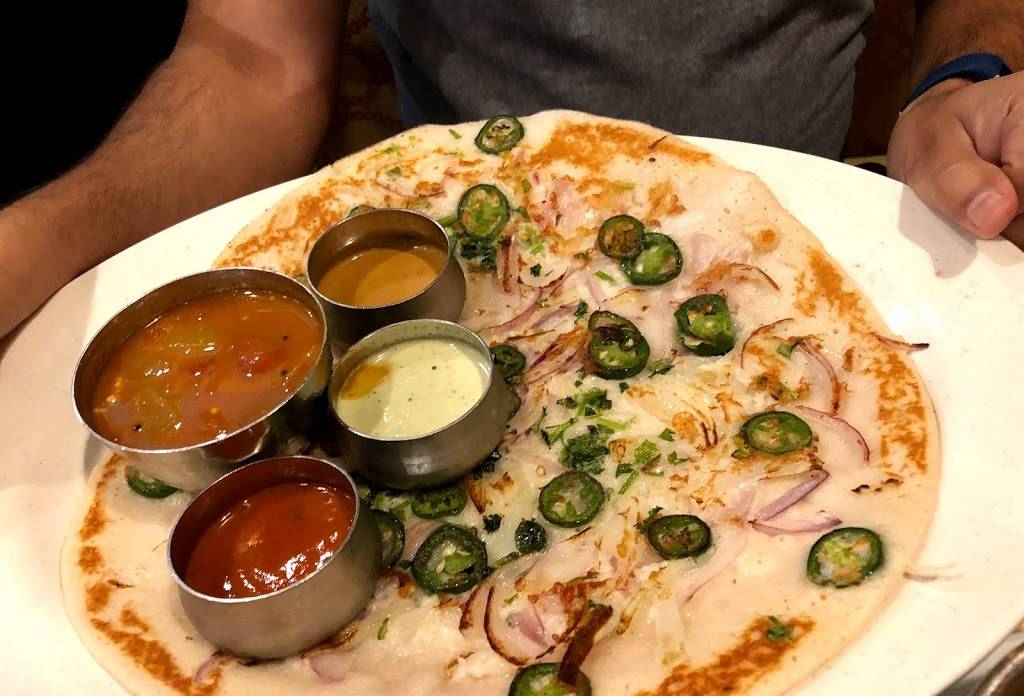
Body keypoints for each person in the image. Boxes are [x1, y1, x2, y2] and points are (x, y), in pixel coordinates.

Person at [0, 0, 1020, 338]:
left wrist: (966, 78)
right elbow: (251, 59)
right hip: (456, 281)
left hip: (817, 275)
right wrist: (40, 238)